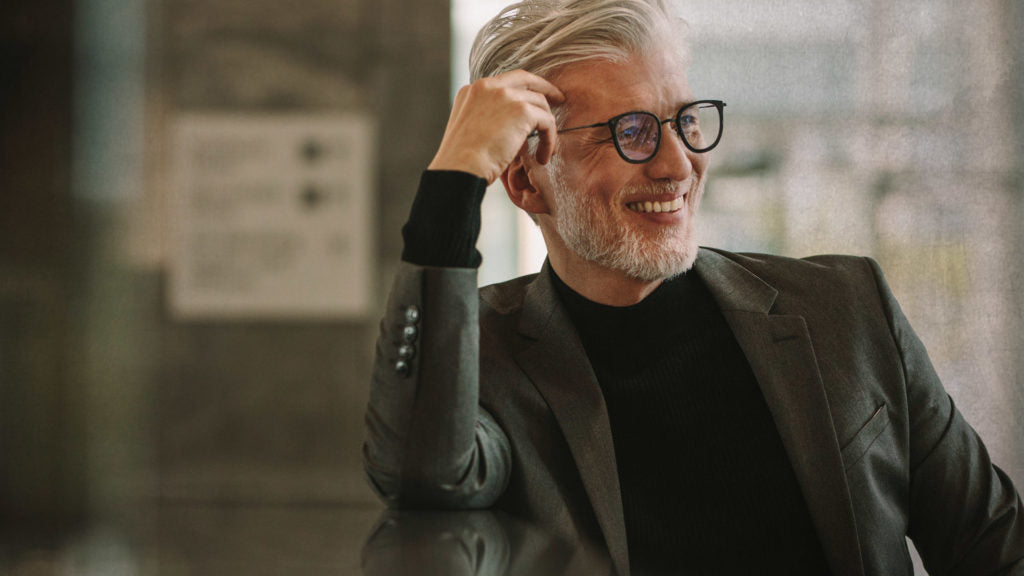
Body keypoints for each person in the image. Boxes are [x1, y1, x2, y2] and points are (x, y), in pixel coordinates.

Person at [362, 1, 1024, 574]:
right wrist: (453, 183)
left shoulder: (846, 308)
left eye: (685, 120)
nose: (679, 165)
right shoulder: (482, 360)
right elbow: (422, 476)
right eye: (631, 132)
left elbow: (994, 548)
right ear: (527, 182)